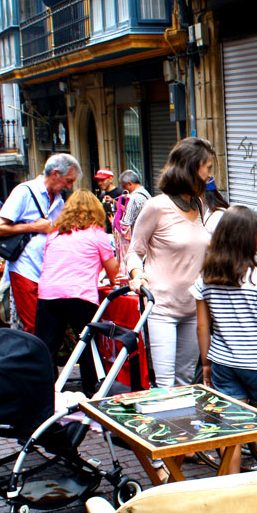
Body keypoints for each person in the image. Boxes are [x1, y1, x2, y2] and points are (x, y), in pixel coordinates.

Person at [192, 206, 257, 473]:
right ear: (247, 239)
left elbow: (202, 325)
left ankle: (231, 483)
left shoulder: (206, 278)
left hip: (223, 363)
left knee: (230, 431)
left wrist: (206, 364)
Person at [127, 137, 213, 388]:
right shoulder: (156, 206)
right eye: (207, 168)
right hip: (161, 307)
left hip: (194, 307)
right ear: (191, 168)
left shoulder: (200, 205)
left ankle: (185, 426)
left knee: (185, 381)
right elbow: (134, 251)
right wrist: (137, 274)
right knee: (165, 384)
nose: (210, 175)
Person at [35, 190, 119, 396]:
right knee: (87, 344)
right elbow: (114, 272)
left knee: (47, 346)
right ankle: (92, 392)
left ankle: (46, 393)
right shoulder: (97, 234)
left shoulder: (55, 233)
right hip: (79, 294)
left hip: (49, 292)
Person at [0, 153, 79, 333]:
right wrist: (33, 227)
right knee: (34, 327)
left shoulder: (59, 200)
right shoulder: (24, 192)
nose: (69, 186)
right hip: (26, 270)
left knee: (50, 327)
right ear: (55, 174)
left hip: (49, 272)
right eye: (68, 181)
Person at [117, 170, 151, 235]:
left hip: (139, 235)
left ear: (130, 183)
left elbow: (126, 222)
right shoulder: (146, 193)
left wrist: (114, 221)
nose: (123, 189)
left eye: (124, 186)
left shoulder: (134, 198)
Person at [95, 168, 120, 234]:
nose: (100, 183)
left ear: (111, 179)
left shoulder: (120, 193)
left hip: (117, 231)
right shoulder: (102, 196)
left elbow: (126, 210)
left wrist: (114, 202)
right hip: (105, 231)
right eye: (98, 181)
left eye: (102, 180)